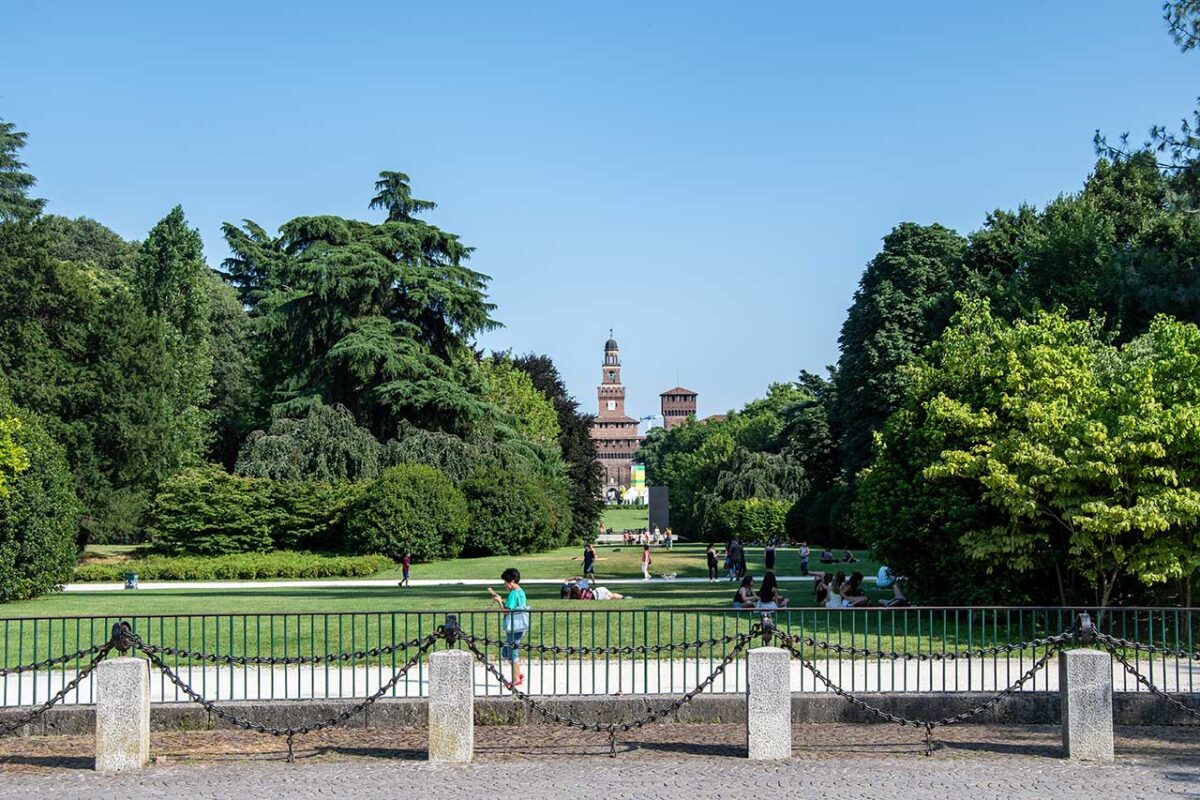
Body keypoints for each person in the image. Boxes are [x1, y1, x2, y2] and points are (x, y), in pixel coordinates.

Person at [487, 567, 528, 687]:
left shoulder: (513, 594)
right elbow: (511, 608)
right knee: (508, 651)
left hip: (514, 627)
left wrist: (499, 601)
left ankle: (516, 680)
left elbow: (506, 611)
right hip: (519, 626)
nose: (505, 584)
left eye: (506, 582)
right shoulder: (520, 592)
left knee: (511, 652)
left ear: (512, 581)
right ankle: (518, 674)